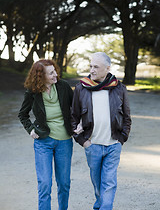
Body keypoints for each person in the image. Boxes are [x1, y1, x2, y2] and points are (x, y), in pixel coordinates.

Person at [71, 52, 131, 210]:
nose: (92, 70)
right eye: (90, 66)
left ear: (107, 68)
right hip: (93, 145)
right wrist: (83, 141)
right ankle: (100, 203)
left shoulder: (119, 88)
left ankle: (104, 207)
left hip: (113, 144)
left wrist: (122, 138)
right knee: (97, 182)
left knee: (109, 182)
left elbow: (126, 116)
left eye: (96, 67)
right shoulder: (81, 88)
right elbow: (73, 117)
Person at [18, 59, 73, 210]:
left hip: (65, 141)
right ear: (40, 76)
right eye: (51, 73)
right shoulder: (33, 91)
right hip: (43, 142)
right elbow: (23, 114)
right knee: (45, 184)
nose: (56, 75)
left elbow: (76, 108)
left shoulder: (63, 87)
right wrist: (30, 129)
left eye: (55, 70)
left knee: (64, 183)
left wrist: (79, 124)